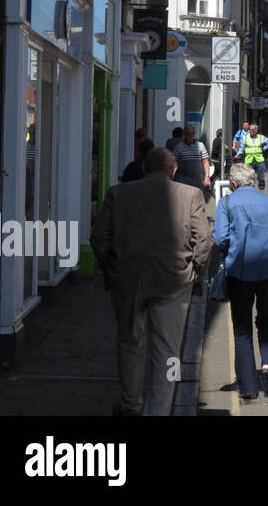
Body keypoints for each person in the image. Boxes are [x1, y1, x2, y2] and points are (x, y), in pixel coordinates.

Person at [92, 147, 212, 415]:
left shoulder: (117, 194)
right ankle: (157, 410)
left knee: (130, 343)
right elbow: (204, 240)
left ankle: (130, 404)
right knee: (168, 352)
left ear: (145, 168)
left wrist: (111, 269)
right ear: (174, 171)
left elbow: (99, 238)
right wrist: (196, 273)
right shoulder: (191, 195)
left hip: (127, 279)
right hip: (173, 282)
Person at [213, 164, 268, 401]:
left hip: (240, 270)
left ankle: (249, 387)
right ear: (253, 181)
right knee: (265, 319)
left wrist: (231, 244)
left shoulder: (227, 203)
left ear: (233, 184)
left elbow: (220, 237)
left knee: (242, 329)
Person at [172, 124, 212, 201]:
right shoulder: (178, 147)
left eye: (192, 133)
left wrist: (207, 176)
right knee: (184, 201)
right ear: (184, 134)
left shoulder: (200, 145)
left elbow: (206, 161)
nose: (190, 136)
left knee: (197, 201)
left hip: (197, 181)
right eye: (188, 134)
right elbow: (174, 163)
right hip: (183, 181)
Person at [238, 123, 268, 189]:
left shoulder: (261, 137)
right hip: (249, 160)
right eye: (249, 129)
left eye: (252, 130)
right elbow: (242, 147)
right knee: (249, 176)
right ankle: (251, 189)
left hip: (259, 159)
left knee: (261, 174)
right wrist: (238, 154)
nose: (250, 131)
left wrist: (264, 148)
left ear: (256, 130)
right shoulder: (245, 138)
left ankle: (261, 187)